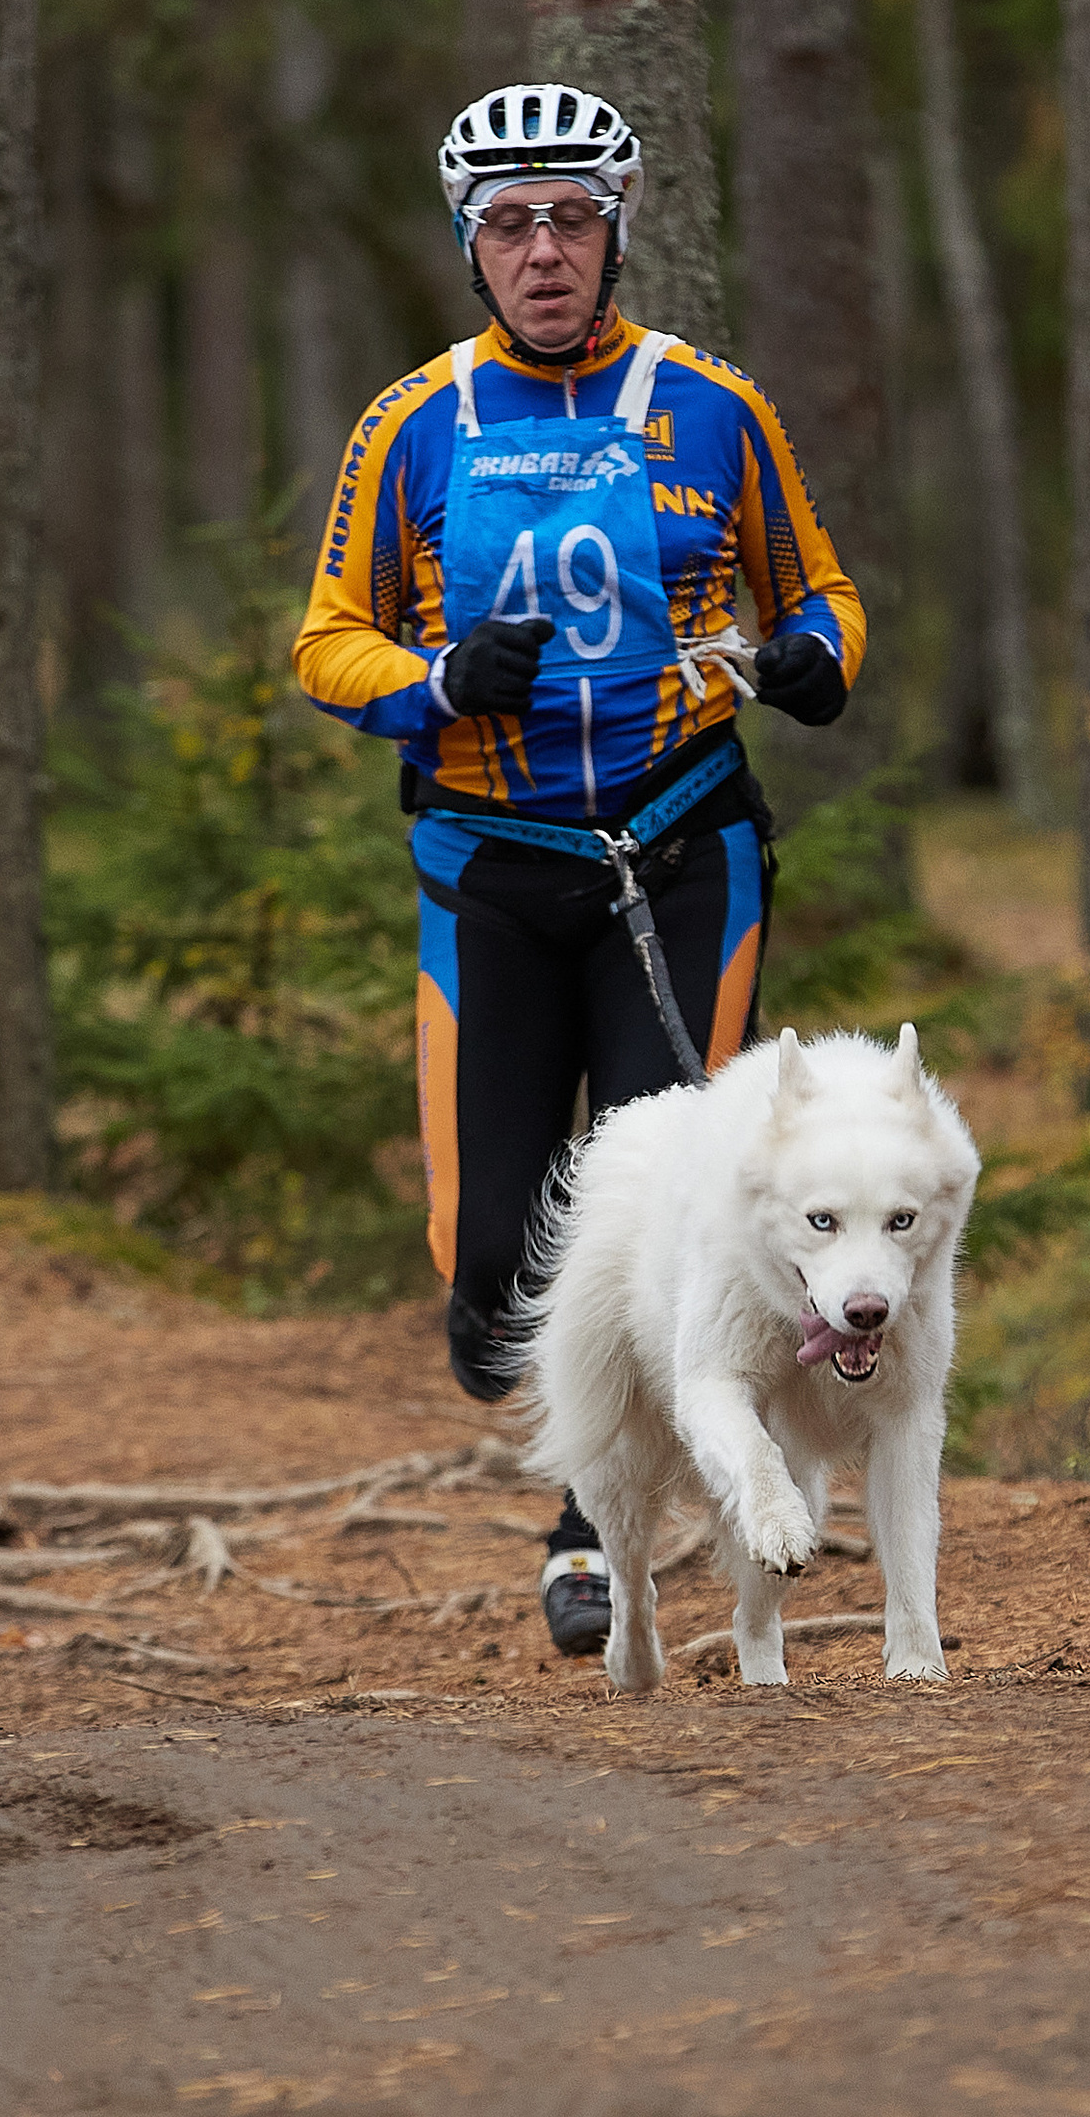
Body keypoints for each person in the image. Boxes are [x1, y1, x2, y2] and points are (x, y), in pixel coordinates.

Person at [292, 82, 866, 1656]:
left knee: (655, 1195)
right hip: (495, 863)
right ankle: (543, 1398)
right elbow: (324, 641)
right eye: (508, 224)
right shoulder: (410, 423)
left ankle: (590, 1533)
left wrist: (814, 661)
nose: (543, 251)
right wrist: (436, 684)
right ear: (469, 248)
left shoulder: (714, 405)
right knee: (490, 1268)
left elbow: (817, 589)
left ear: (616, 233)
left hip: (682, 854)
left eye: (570, 219)